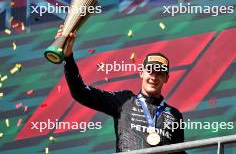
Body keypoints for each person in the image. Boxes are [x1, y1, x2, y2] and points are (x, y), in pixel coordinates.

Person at [57, 26, 186, 153]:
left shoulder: (175, 115)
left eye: (160, 73)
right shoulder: (124, 101)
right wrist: (68, 57)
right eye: (150, 72)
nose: (154, 77)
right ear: (141, 73)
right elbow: (81, 93)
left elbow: (179, 152)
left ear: (166, 78)